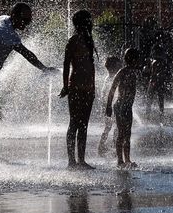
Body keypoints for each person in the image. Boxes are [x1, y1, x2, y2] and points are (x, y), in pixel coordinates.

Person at [0, 2, 55, 156]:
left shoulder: (3, 19)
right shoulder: (7, 32)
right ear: (14, 15)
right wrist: (44, 69)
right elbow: (26, 53)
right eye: (25, 20)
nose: (26, 24)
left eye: (29, 21)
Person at [59, 10, 97, 170]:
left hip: (88, 87)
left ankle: (81, 160)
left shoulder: (89, 40)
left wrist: (94, 87)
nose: (91, 23)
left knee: (84, 125)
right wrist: (65, 86)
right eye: (89, 20)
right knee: (74, 123)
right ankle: (71, 161)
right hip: (75, 87)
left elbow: (91, 66)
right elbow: (66, 64)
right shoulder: (73, 41)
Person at [105, 48, 141, 169]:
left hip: (127, 107)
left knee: (128, 133)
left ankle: (128, 159)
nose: (138, 62)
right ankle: (120, 160)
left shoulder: (133, 72)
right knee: (121, 133)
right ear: (133, 60)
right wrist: (108, 106)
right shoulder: (122, 72)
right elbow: (112, 90)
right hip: (120, 106)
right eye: (137, 59)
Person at [97, 56, 122, 157]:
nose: (120, 66)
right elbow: (108, 93)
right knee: (115, 127)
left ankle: (103, 145)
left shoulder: (109, 77)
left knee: (109, 127)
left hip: (109, 105)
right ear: (113, 66)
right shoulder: (111, 78)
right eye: (118, 64)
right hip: (110, 106)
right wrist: (108, 106)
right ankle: (110, 145)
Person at [145, 44, 168, 116]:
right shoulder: (162, 61)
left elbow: (153, 73)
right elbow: (163, 72)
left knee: (149, 97)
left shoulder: (154, 62)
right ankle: (161, 112)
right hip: (160, 81)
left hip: (153, 81)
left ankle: (148, 112)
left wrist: (153, 81)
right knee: (160, 97)